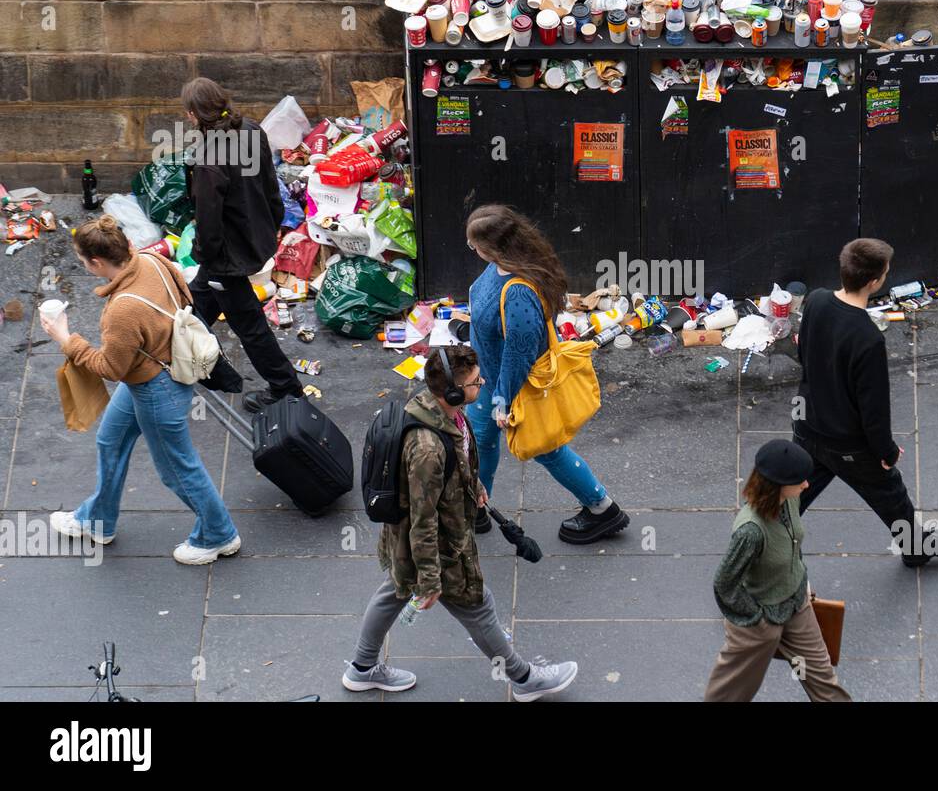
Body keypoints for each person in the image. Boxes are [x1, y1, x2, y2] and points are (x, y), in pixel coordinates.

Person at [342, 345, 578, 701]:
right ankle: (524, 679)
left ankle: (361, 669)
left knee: (393, 590)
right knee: (478, 606)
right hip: (438, 548)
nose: (481, 384)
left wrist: (474, 485)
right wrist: (431, 579)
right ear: (453, 391)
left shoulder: (441, 412)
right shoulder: (427, 449)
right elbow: (423, 520)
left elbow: (458, 461)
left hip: (406, 542)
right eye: (475, 382)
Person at [40, 215, 241, 565]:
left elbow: (110, 368)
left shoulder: (123, 309)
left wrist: (65, 338)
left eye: (83, 261)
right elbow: (185, 295)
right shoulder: (153, 259)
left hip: (155, 389)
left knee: (177, 468)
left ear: (97, 263)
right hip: (156, 372)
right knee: (110, 440)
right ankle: (97, 520)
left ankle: (218, 534)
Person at [464, 204, 628, 544]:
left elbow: (519, 352)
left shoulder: (520, 291)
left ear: (494, 248)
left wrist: (503, 400)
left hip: (514, 388)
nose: (473, 250)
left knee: (547, 450)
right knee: (478, 443)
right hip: (485, 380)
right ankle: (475, 506)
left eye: (474, 245)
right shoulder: (502, 266)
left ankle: (602, 509)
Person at [793, 237, 938, 565]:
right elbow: (874, 410)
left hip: (808, 426)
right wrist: (886, 452)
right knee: (889, 493)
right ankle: (915, 548)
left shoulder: (817, 301)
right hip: (849, 445)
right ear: (875, 281)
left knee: (793, 494)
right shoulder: (868, 338)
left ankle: (761, 546)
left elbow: (803, 356)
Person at [181, 77, 303, 414]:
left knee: (248, 325)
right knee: (194, 305)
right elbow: (270, 183)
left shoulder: (208, 158)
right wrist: (275, 222)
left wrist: (205, 254)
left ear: (193, 115)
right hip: (255, 238)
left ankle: (286, 388)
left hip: (226, 256)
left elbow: (208, 220)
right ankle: (178, 360)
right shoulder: (250, 129)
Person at [704, 440, 851, 702]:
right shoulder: (750, 531)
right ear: (777, 485)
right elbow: (724, 584)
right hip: (759, 624)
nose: (807, 485)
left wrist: (799, 577)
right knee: (730, 693)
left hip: (797, 607)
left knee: (825, 683)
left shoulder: (790, 500)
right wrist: (756, 619)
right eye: (800, 480)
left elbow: (793, 540)